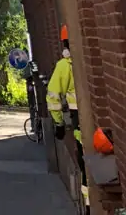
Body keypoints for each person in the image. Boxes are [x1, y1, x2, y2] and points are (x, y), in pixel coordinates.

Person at [47, 26, 89, 211]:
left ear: (65, 43)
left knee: (85, 162)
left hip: (78, 118)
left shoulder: (65, 66)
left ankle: (88, 207)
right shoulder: (86, 59)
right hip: (92, 117)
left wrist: (58, 123)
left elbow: (53, 97)